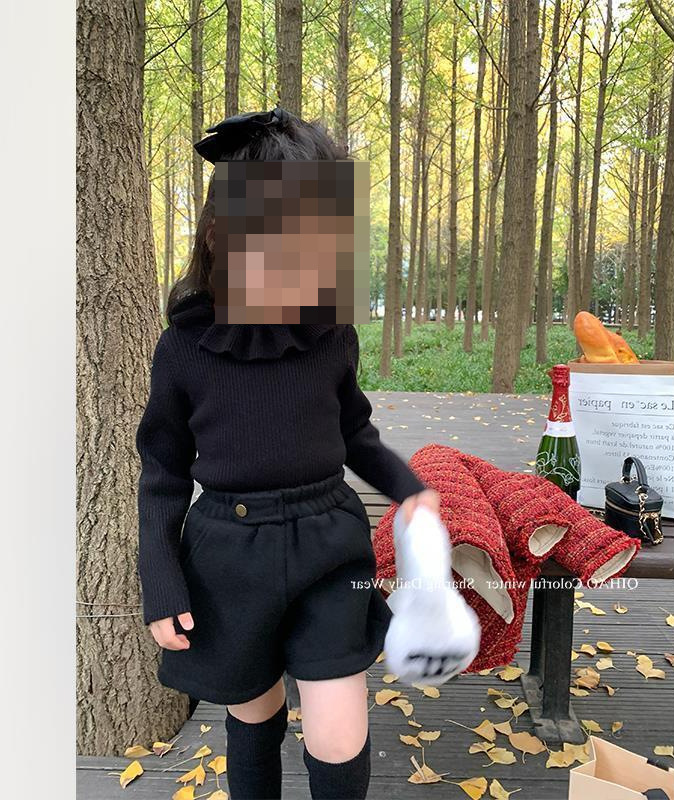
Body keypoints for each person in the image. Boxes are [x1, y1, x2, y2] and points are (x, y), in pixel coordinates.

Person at [135, 107, 440, 800]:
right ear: (221, 233)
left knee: (338, 729)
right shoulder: (183, 348)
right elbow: (162, 473)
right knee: (253, 713)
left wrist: (409, 488)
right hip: (226, 557)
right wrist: (161, 579)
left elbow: (355, 433)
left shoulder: (331, 336)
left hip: (328, 547)